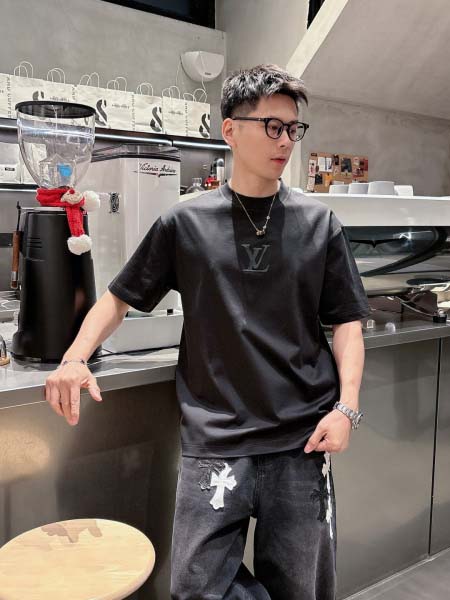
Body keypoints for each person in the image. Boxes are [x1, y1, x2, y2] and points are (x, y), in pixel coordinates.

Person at [45, 64, 370, 599]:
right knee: (196, 589)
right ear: (230, 130)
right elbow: (119, 298)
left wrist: (347, 407)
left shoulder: (320, 224)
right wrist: (75, 358)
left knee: (304, 588)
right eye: (272, 126)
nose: (285, 141)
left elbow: (346, 323)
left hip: (302, 440)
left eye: (293, 128)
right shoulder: (185, 223)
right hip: (214, 441)